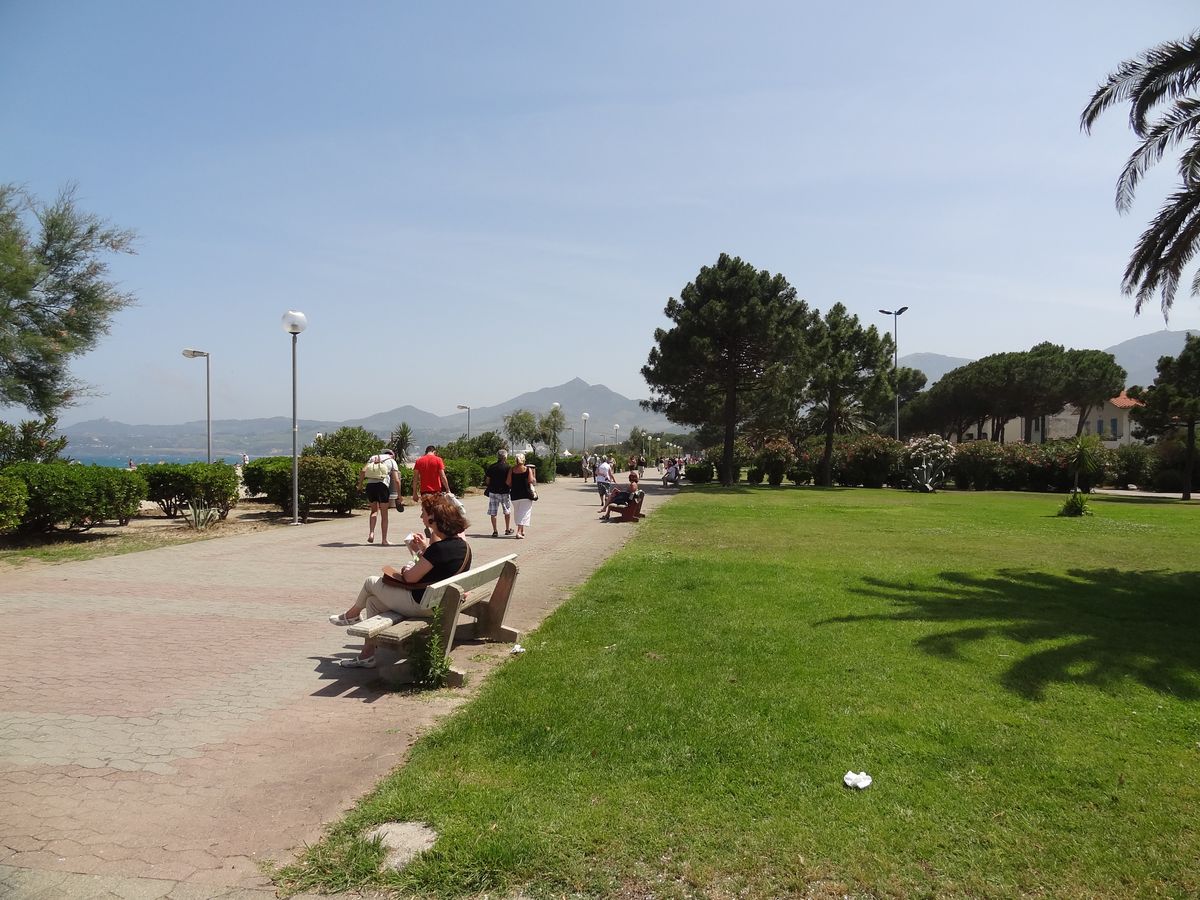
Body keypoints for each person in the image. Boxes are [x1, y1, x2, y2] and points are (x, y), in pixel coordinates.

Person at [329, 494, 471, 668]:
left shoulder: (439, 549)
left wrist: (406, 569)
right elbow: (436, 567)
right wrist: (422, 551)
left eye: (430, 521)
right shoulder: (463, 546)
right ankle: (367, 655)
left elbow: (411, 578)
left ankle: (351, 615)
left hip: (422, 604)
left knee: (370, 582)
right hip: (441, 602)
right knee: (372, 602)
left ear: (437, 521)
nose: (428, 524)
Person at [358, 449, 402, 545]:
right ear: (392, 455)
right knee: (384, 514)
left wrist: (360, 485)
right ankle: (384, 540)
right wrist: (399, 495)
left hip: (370, 486)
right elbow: (397, 480)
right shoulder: (392, 461)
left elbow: (362, 471)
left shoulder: (373, 458)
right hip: (382, 486)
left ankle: (371, 533)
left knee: (374, 511)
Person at [506, 452, 537, 539]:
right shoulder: (527, 469)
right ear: (524, 460)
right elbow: (531, 481)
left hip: (515, 495)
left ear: (516, 460)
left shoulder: (512, 470)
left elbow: (508, 482)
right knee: (524, 513)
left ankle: (522, 530)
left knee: (518, 512)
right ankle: (519, 532)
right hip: (526, 494)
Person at [484, 448, 514, 537]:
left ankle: (495, 531)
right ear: (505, 457)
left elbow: (487, 480)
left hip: (493, 492)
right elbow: (509, 481)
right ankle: (507, 529)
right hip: (505, 491)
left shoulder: (492, 467)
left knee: (493, 512)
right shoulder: (508, 467)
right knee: (507, 511)